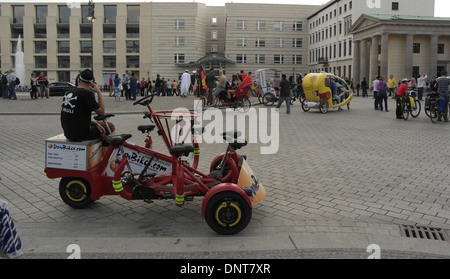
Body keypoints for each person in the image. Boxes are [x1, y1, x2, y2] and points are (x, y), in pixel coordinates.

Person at [60, 69, 114, 142]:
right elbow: (101, 112)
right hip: (82, 134)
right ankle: (106, 152)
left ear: (79, 80)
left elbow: (76, 116)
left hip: (68, 133)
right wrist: (99, 93)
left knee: (99, 125)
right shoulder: (87, 94)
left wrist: (95, 123)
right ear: (91, 83)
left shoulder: (68, 92)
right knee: (110, 126)